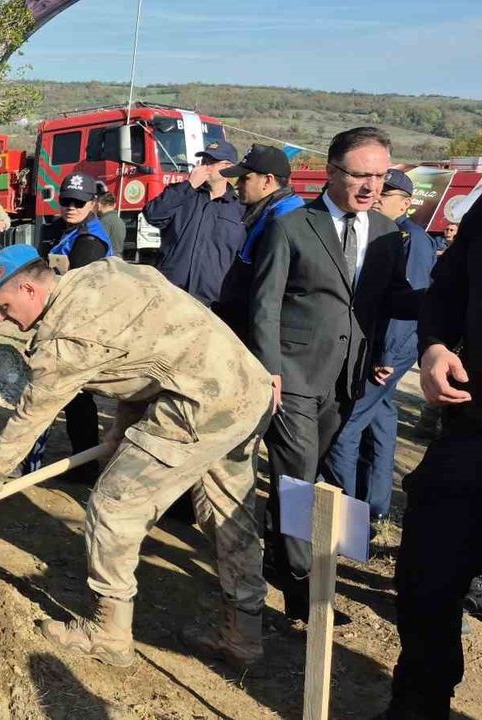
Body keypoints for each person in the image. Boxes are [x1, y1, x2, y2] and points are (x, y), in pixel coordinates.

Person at [0, 245, 273, 671]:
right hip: (246, 388)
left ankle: (108, 634)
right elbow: (142, 353)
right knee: (226, 513)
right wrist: (123, 429)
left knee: (113, 506)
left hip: (198, 405)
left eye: (3, 308)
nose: (2, 319)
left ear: (28, 288)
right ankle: (243, 637)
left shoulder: (63, 341)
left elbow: (26, 425)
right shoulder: (101, 273)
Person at [249, 127, 418, 623]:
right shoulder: (294, 226)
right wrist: (270, 370)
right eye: (360, 175)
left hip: (348, 380)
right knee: (299, 477)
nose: (370, 187)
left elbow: (392, 300)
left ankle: (278, 559)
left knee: (305, 478)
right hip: (294, 375)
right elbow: (265, 305)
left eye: (380, 177)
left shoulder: (388, 235)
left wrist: (450, 300)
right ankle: (306, 598)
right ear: (331, 171)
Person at [383, 201, 480, 719]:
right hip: (470, 431)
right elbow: (447, 289)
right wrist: (435, 346)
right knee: (425, 580)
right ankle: (417, 707)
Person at [323, 169, 435, 524]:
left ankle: (344, 518)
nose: (376, 197)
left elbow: (410, 303)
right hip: (380, 344)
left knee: (346, 425)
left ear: (404, 202)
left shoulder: (410, 238)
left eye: (385, 194)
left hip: (391, 347)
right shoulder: (381, 233)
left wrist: (385, 355)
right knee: (381, 422)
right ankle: (375, 508)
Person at [21, 172, 112, 482]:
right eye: (66, 201)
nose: (71, 207)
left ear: (93, 203)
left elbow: (79, 295)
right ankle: (80, 461)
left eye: (78, 202)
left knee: (78, 395)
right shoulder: (62, 231)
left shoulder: (90, 240)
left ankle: (85, 465)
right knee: (73, 397)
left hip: (80, 326)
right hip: (60, 322)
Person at [213, 144, 304, 340]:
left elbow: (270, 296)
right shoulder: (266, 214)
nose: (237, 185)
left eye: (245, 178)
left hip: (263, 339)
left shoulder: (283, 222)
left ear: (268, 181)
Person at [144, 139, 246, 307]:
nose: (204, 166)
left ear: (228, 167)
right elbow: (153, 215)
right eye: (203, 161)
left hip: (212, 303)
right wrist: (189, 185)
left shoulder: (239, 208)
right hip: (170, 294)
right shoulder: (182, 194)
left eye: (211, 162)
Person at [95, 189, 126, 256]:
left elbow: (97, 245)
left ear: (99, 205)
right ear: (114, 205)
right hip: (118, 259)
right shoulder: (120, 221)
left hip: (106, 261)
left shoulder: (102, 222)